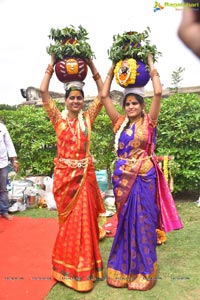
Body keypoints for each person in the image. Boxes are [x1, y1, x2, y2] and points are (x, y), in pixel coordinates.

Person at [101, 54, 183, 290]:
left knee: (144, 224)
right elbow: (104, 95)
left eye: (135, 103)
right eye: (127, 103)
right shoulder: (119, 123)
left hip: (144, 180)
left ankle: (145, 272)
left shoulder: (150, 121)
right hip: (123, 182)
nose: (131, 107)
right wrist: (112, 66)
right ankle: (122, 269)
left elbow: (157, 93)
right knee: (125, 224)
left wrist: (150, 63)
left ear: (142, 105)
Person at [40, 55, 106, 292]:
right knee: (68, 225)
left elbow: (103, 94)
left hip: (84, 181)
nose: (76, 101)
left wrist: (92, 64)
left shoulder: (88, 119)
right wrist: (52, 60)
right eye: (72, 98)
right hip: (65, 182)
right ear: (66, 100)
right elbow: (43, 92)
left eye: (79, 98)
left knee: (85, 224)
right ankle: (64, 268)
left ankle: (84, 269)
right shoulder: (57, 120)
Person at [0, 121, 19, 220]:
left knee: (3, 188)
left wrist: (15, 160)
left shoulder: (2, 127)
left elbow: (9, 144)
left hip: (2, 163)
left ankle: (4, 211)